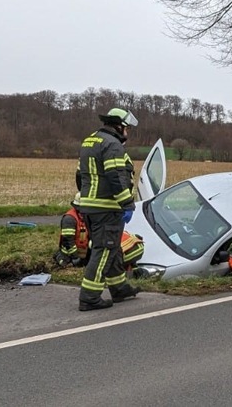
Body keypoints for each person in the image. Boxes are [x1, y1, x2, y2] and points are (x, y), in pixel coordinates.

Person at [76, 107, 141, 311]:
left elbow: (80, 176)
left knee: (112, 247)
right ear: (119, 126)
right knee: (104, 250)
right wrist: (127, 204)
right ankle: (90, 296)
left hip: (90, 206)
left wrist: (88, 199)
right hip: (107, 208)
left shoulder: (91, 141)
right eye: (127, 128)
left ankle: (119, 287)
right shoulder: (113, 145)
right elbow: (116, 177)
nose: (127, 133)